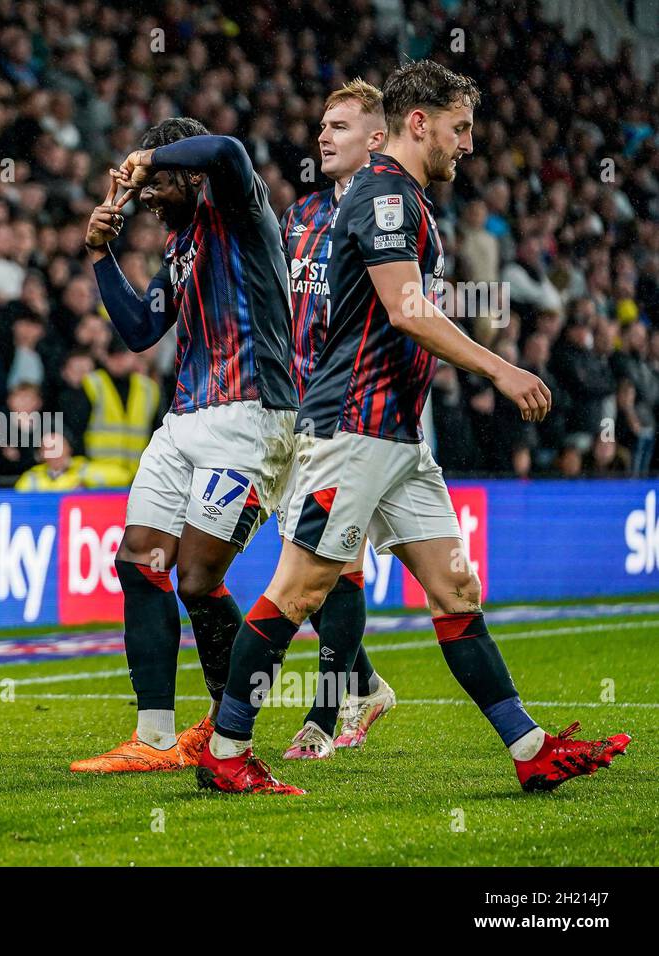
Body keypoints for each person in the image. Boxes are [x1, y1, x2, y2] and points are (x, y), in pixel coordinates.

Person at [199, 60, 629, 796]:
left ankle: (530, 751)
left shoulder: (407, 201)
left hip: (395, 437)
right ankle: (226, 750)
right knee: (299, 591)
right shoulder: (385, 197)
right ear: (421, 122)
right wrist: (500, 369)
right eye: (460, 128)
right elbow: (405, 310)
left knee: (456, 590)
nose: (468, 144)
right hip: (352, 428)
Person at [73, 117, 298, 773]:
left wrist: (146, 154)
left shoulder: (237, 209)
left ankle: (231, 728)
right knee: (138, 561)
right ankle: (155, 739)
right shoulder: (177, 249)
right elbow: (143, 331)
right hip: (184, 419)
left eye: (154, 182)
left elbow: (227, 147)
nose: (144, 195)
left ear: (187, 174)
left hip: (252, 415)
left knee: (199, 580)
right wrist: (99, 257)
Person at [273, 80, 395, 760]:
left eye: (341, 126)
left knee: (330, 561)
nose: (323, 136)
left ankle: (322, 717)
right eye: (323, 124)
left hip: (353, 410)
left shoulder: (390, 217)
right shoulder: (300, 217)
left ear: (376, 139)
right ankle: (368, 684)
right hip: (294, 414)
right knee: (312, 571)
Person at [80, 339, 160, 484]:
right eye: (113, 356)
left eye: (122, 355)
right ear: (105, 357)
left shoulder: (149, 389)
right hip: (99, 476)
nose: (118, 361)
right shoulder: (92, 383)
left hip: (138, 474)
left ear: (132, 356)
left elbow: (158, 431)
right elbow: (79, 428)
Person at [14, 430, 127, 490]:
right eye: (48, 449)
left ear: (69, 449)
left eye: (58, 447)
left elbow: (123, 476)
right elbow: (16, 502)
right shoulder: (33, 477)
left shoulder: (83, 469)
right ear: (42, 454)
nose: (55, 453)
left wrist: (86, 481)